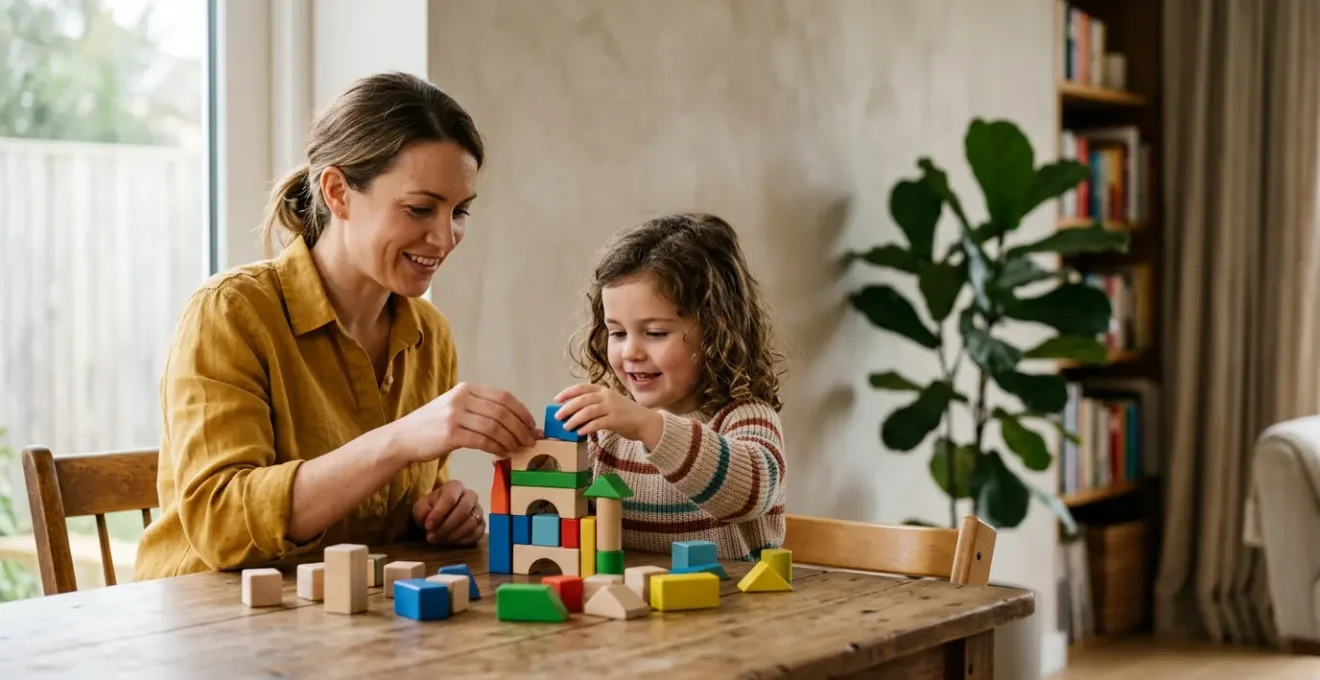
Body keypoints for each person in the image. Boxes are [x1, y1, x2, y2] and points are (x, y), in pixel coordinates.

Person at [134, 72, 538, 580]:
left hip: (345, 627)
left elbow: (393, 520)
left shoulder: (428, 336)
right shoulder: (231, 313)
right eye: (420, 209)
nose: (444, 237)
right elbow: (221, 522)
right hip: (207, 630)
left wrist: (442, 515)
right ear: (337, 192)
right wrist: (400, 440)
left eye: (459, 211)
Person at [552, 213, 788, 561]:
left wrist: (649, 427)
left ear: (715, 332)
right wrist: (534, 462)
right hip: (625, 607)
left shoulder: (745, 418)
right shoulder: (605, 434)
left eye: (656, 333)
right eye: (617, 333)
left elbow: (751, 493)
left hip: (729, 608)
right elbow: (562, 516)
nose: (630, 352)